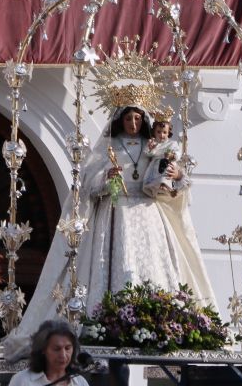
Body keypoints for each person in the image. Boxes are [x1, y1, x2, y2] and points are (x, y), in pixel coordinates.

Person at [73, 98, 216, 314]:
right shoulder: (110, 145)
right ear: (120, 120)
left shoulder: (155, 145)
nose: (133, 123)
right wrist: (106, 176)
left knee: (153, 264)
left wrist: (176, 174)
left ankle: (155, 312)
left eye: (138, 118)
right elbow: (88, 182)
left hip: (149, 212)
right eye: (128, 118)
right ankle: (111, 314)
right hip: (115, 211)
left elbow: (171, 178)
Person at [141, 110, 180, 199]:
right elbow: (148, 154)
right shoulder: (153, 143)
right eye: (159, 132)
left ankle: (167, 185)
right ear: (154, 132)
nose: (161, 135)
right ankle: (157, 187)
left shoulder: (172, 143)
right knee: (154, 175)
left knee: (168, 170)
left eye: (164, 132)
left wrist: (173, 156)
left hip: (168, 162)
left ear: (168, 133)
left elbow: (178, 152)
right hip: (156, 164)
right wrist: (150, 148)